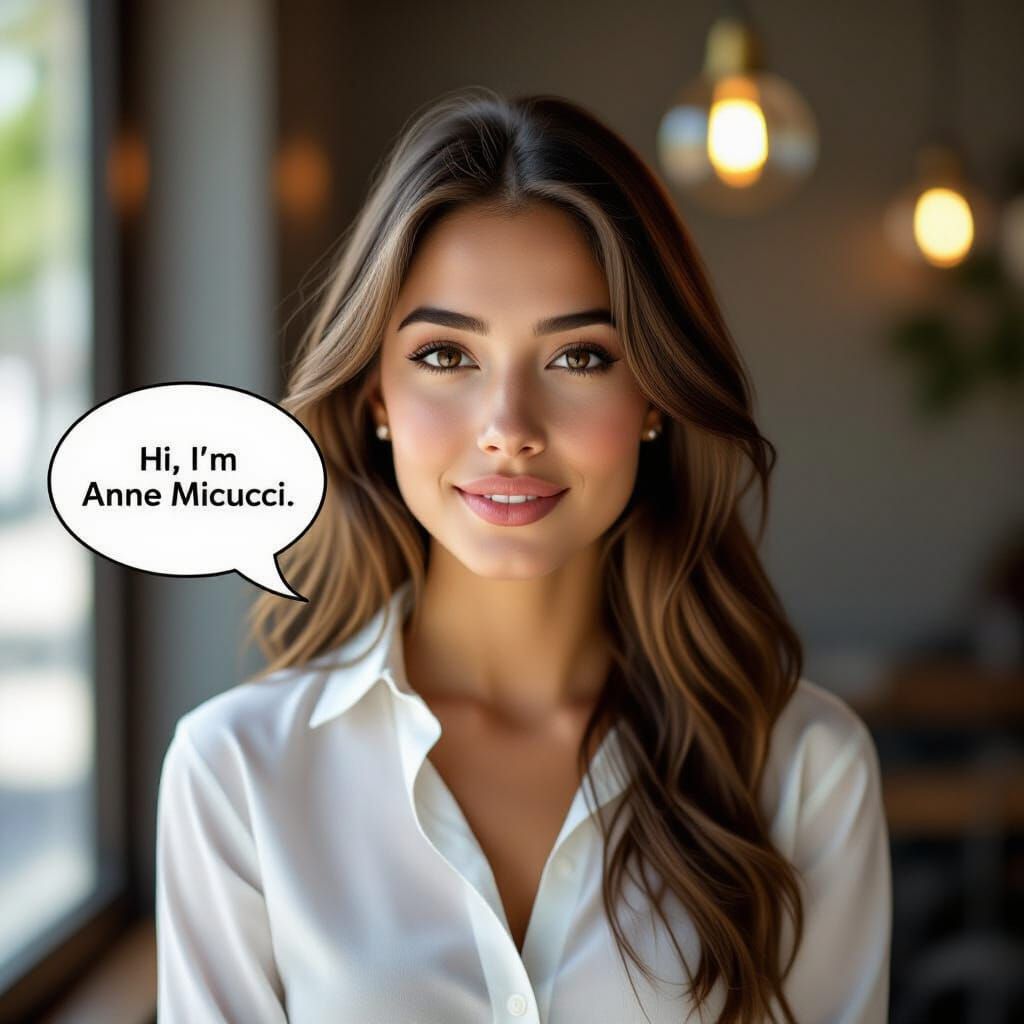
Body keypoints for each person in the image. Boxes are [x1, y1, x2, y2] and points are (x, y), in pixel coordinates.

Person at [155, 87, 892, 1023]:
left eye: (579, 357)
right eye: (445, 357)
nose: (508, 429)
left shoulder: (803, 770)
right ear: (376, 394)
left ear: (657, 395)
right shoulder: (236, 774)